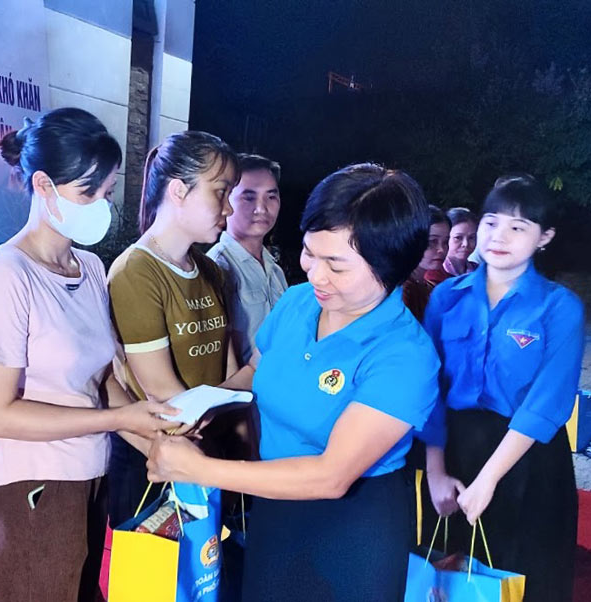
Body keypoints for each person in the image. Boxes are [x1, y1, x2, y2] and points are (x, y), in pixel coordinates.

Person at [146, 163, 441, 602]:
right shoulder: (298, 301)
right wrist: (198, 406)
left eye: (336, 266)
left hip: (351, 531)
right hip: (272, 503)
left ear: (391, 266)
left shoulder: (404, 354)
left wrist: (196, 469)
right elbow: (255, 373)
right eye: (309, 253)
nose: (316, 275)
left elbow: (331, 476)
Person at [0, 108, 177, 602]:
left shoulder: (91, 268)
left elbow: (102, 382)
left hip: (87, 475)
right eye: (87, 192)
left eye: (106, 191)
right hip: (29, 486)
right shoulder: (6, 276)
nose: (101, 205)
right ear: (42, 185)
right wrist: (118, 417)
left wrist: (156, 438)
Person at [419, 175, 584, 602]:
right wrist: (435, 472)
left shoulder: (558, 306)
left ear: (544, 237)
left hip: (526, 460)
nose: (499, 237)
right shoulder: (446, 298)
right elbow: (429, 390)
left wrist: (489, 480)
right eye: (491, 223)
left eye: (518, 227)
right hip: (455, 456)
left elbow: (545, 404)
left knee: (526, 577)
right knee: (450, 577)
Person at [105, 130, 252, 529]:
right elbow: (166, 399)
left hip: (211, 456)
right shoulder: (135, 272)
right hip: (153, 462)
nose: (229, 208)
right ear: (178, 190)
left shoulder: (211, 271)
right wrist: (241, 385)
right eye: (220, 192)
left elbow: (233, 374)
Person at [207, 153, 288, 365]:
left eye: (271, 196)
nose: (261, 209)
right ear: (226, 201)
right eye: (249, 197)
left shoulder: (275, 269)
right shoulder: (217, 267)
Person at [403, 204, 451, 321]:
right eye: (432, 242)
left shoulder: (429, 287)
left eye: (446, 242)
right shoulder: (401, 290)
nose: (442, 249)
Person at [439, 206, 480, 279]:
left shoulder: (479, 271)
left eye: (471, 238)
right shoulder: (434, 274)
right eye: (458, 238)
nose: (466, 244)